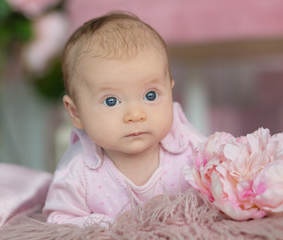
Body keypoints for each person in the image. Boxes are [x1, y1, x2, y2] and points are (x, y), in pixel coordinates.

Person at [42, 11, 206, 228]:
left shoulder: (192, 148)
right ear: (76, 113)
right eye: (111, 101)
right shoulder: (78, 171)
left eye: (151, 95)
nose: (135, 115)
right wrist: (107, 226)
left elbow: (227, 185)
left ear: (170, 92)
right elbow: (59, 220)